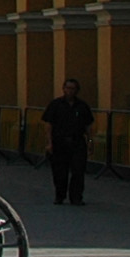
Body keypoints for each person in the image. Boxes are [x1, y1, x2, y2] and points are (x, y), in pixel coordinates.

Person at [43, 76, 95, 207]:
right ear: (63, 89)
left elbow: (88, 127)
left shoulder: (82, 106)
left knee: (78, 171)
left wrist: (90, 141)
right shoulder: (55, 105)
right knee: (60, 172)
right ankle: (59, 196)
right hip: (59, 142)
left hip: (77, 142)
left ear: (77, 90)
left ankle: (76, 197)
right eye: (68, 88)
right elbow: (49, 125)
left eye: (73, 89)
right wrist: (49, 143)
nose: (70, 91)